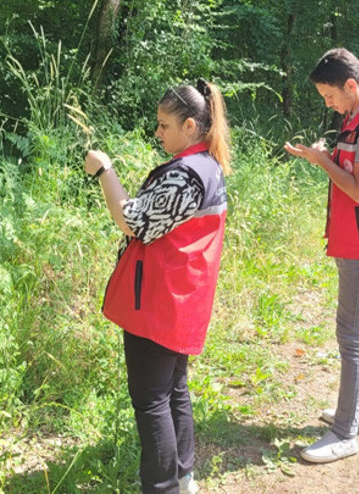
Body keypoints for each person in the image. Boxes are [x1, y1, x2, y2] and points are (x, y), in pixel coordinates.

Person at [84, 78, 231, 494]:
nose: (158, 132)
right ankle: (183, 478)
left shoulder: (187, 174)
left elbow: (134, 222)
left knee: (151, 399)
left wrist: (104, 170)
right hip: (180, 296)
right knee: (173, 388)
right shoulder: (207, 165)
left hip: (160, 301)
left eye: (164, 125)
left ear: (189, 126)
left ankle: (163, 487)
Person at [284, 48, 359, 463]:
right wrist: (323, 155)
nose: (328, 103)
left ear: (351, 85)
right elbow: (352, 171)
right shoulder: (356, 118)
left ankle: (344, 433)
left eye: (329, 95)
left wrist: (320, 160)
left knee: (351, 331)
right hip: (358, 241)